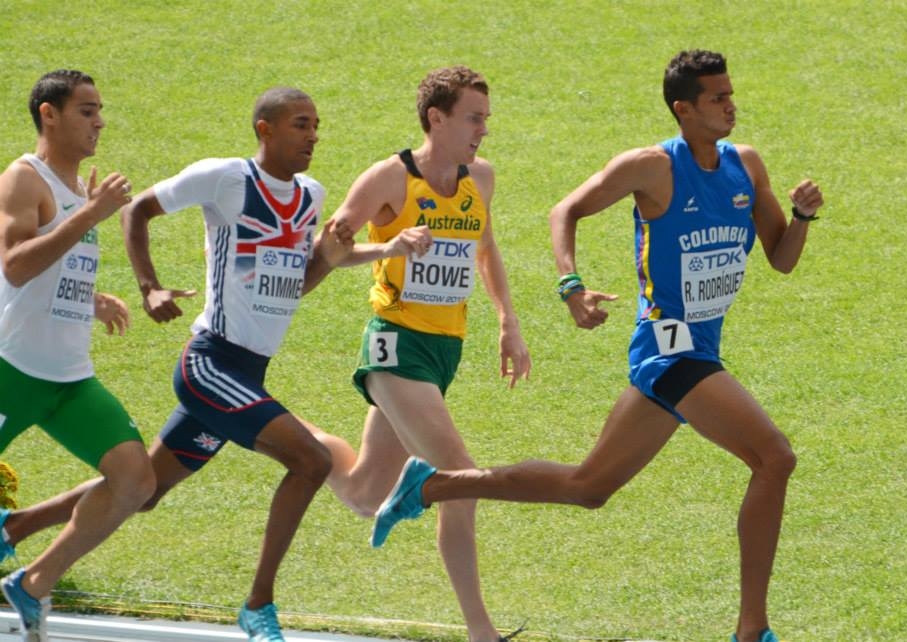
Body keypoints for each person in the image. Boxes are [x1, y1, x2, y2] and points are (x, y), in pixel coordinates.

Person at [371, 50, 824, 642]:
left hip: (701, 350)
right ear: (684, 109)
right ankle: (752, 630)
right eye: (718, 98)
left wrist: (802, 217)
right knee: (774, 457)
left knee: (588, 488)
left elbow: (781, 260)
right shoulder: (652, 167)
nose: (731, 106)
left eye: (731, 94)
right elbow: (567, 210)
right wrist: (570, 286)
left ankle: (433, 485)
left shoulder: (748, 167)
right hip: (669, 350)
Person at [0, 86, 399, 642]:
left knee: (142, 489)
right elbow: (139, 210)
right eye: (300, 124)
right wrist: (149, 287)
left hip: (249, 371)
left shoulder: (311, 194)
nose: (313, 136)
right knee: (310, 461)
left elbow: (290, 287)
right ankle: (258, 604)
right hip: (210, 365)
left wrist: (338, 259)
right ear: (265, 128)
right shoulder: (225, 178)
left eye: (316, 126)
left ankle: (21, 541)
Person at [320, 66, 532, 642]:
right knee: (460, 483)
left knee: (363, 493)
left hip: (444, 351)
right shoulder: (389, 180)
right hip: (396, 346)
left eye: (486, 118)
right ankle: (481, 633)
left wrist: (508, 322)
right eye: (473, 117)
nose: (483, 130)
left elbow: (485, 249)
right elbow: (330, 251)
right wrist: (390, 243)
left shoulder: (479, 179)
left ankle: (283, 432)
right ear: (436, 118)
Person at [0, 69, 155, 641]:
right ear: (49, 114)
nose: (100, 121)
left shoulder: (73, 189)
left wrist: (90, 299)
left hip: (67, 379)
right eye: (87, 110)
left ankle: (34, 582)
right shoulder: (24, 178)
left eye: (99, 109)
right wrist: (90, 215)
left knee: (136, 483)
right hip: (10, 372)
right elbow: (15, 265)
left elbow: (48, 268)